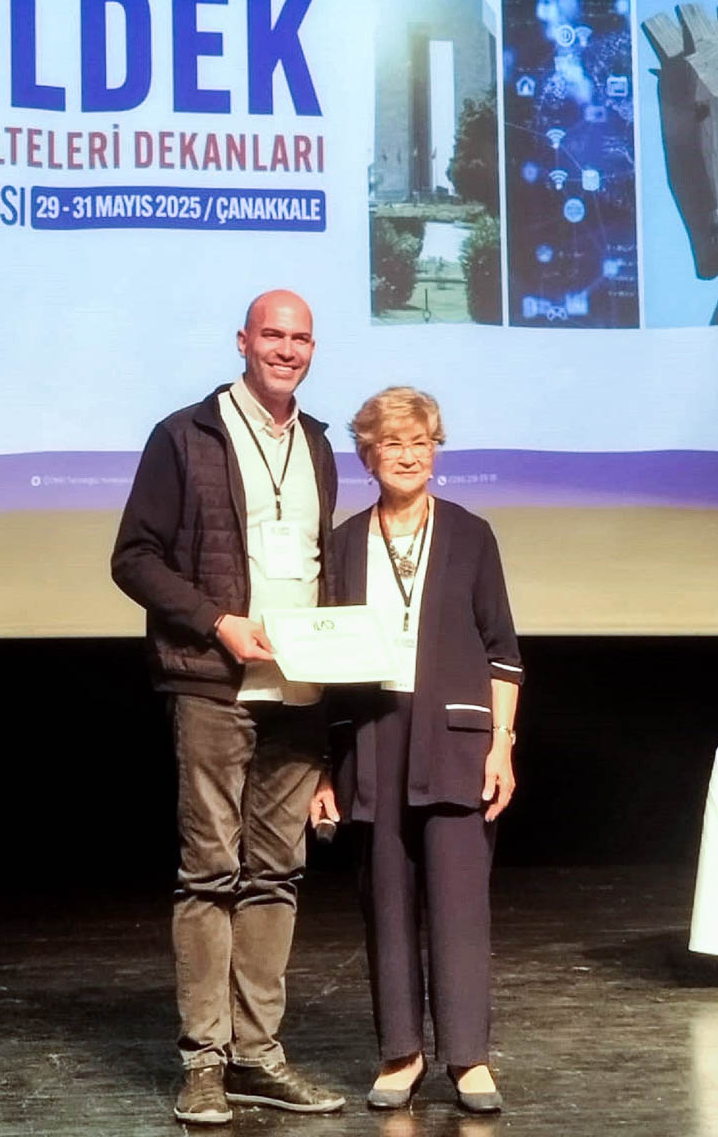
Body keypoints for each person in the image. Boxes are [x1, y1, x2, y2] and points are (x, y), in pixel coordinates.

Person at [111, 289, 345, 1125]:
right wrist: (219, 622)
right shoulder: (185, 434)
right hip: (213, 683)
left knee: (278, 873)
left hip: (300, 690)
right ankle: (205, 1061)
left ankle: (257, 1055)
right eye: (272, 334)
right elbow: (134, 558)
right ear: (242, 341)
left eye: (300, 338)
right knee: (210, 872)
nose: (286, 349)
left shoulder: (318, 443)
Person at [309, 386, 523, 1113]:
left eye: (420, 443)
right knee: (387, 902)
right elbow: (322, 663)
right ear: (368, 456)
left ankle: (469, 1059)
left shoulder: (471, 534)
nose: (407, 456)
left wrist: (502, 747)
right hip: (372, 739)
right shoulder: (342, 543)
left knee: (460, 904)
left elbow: (503, 651)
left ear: (435, 451)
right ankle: (401, 1053)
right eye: (392, 444)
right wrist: (324, 768)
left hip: (458, 739)